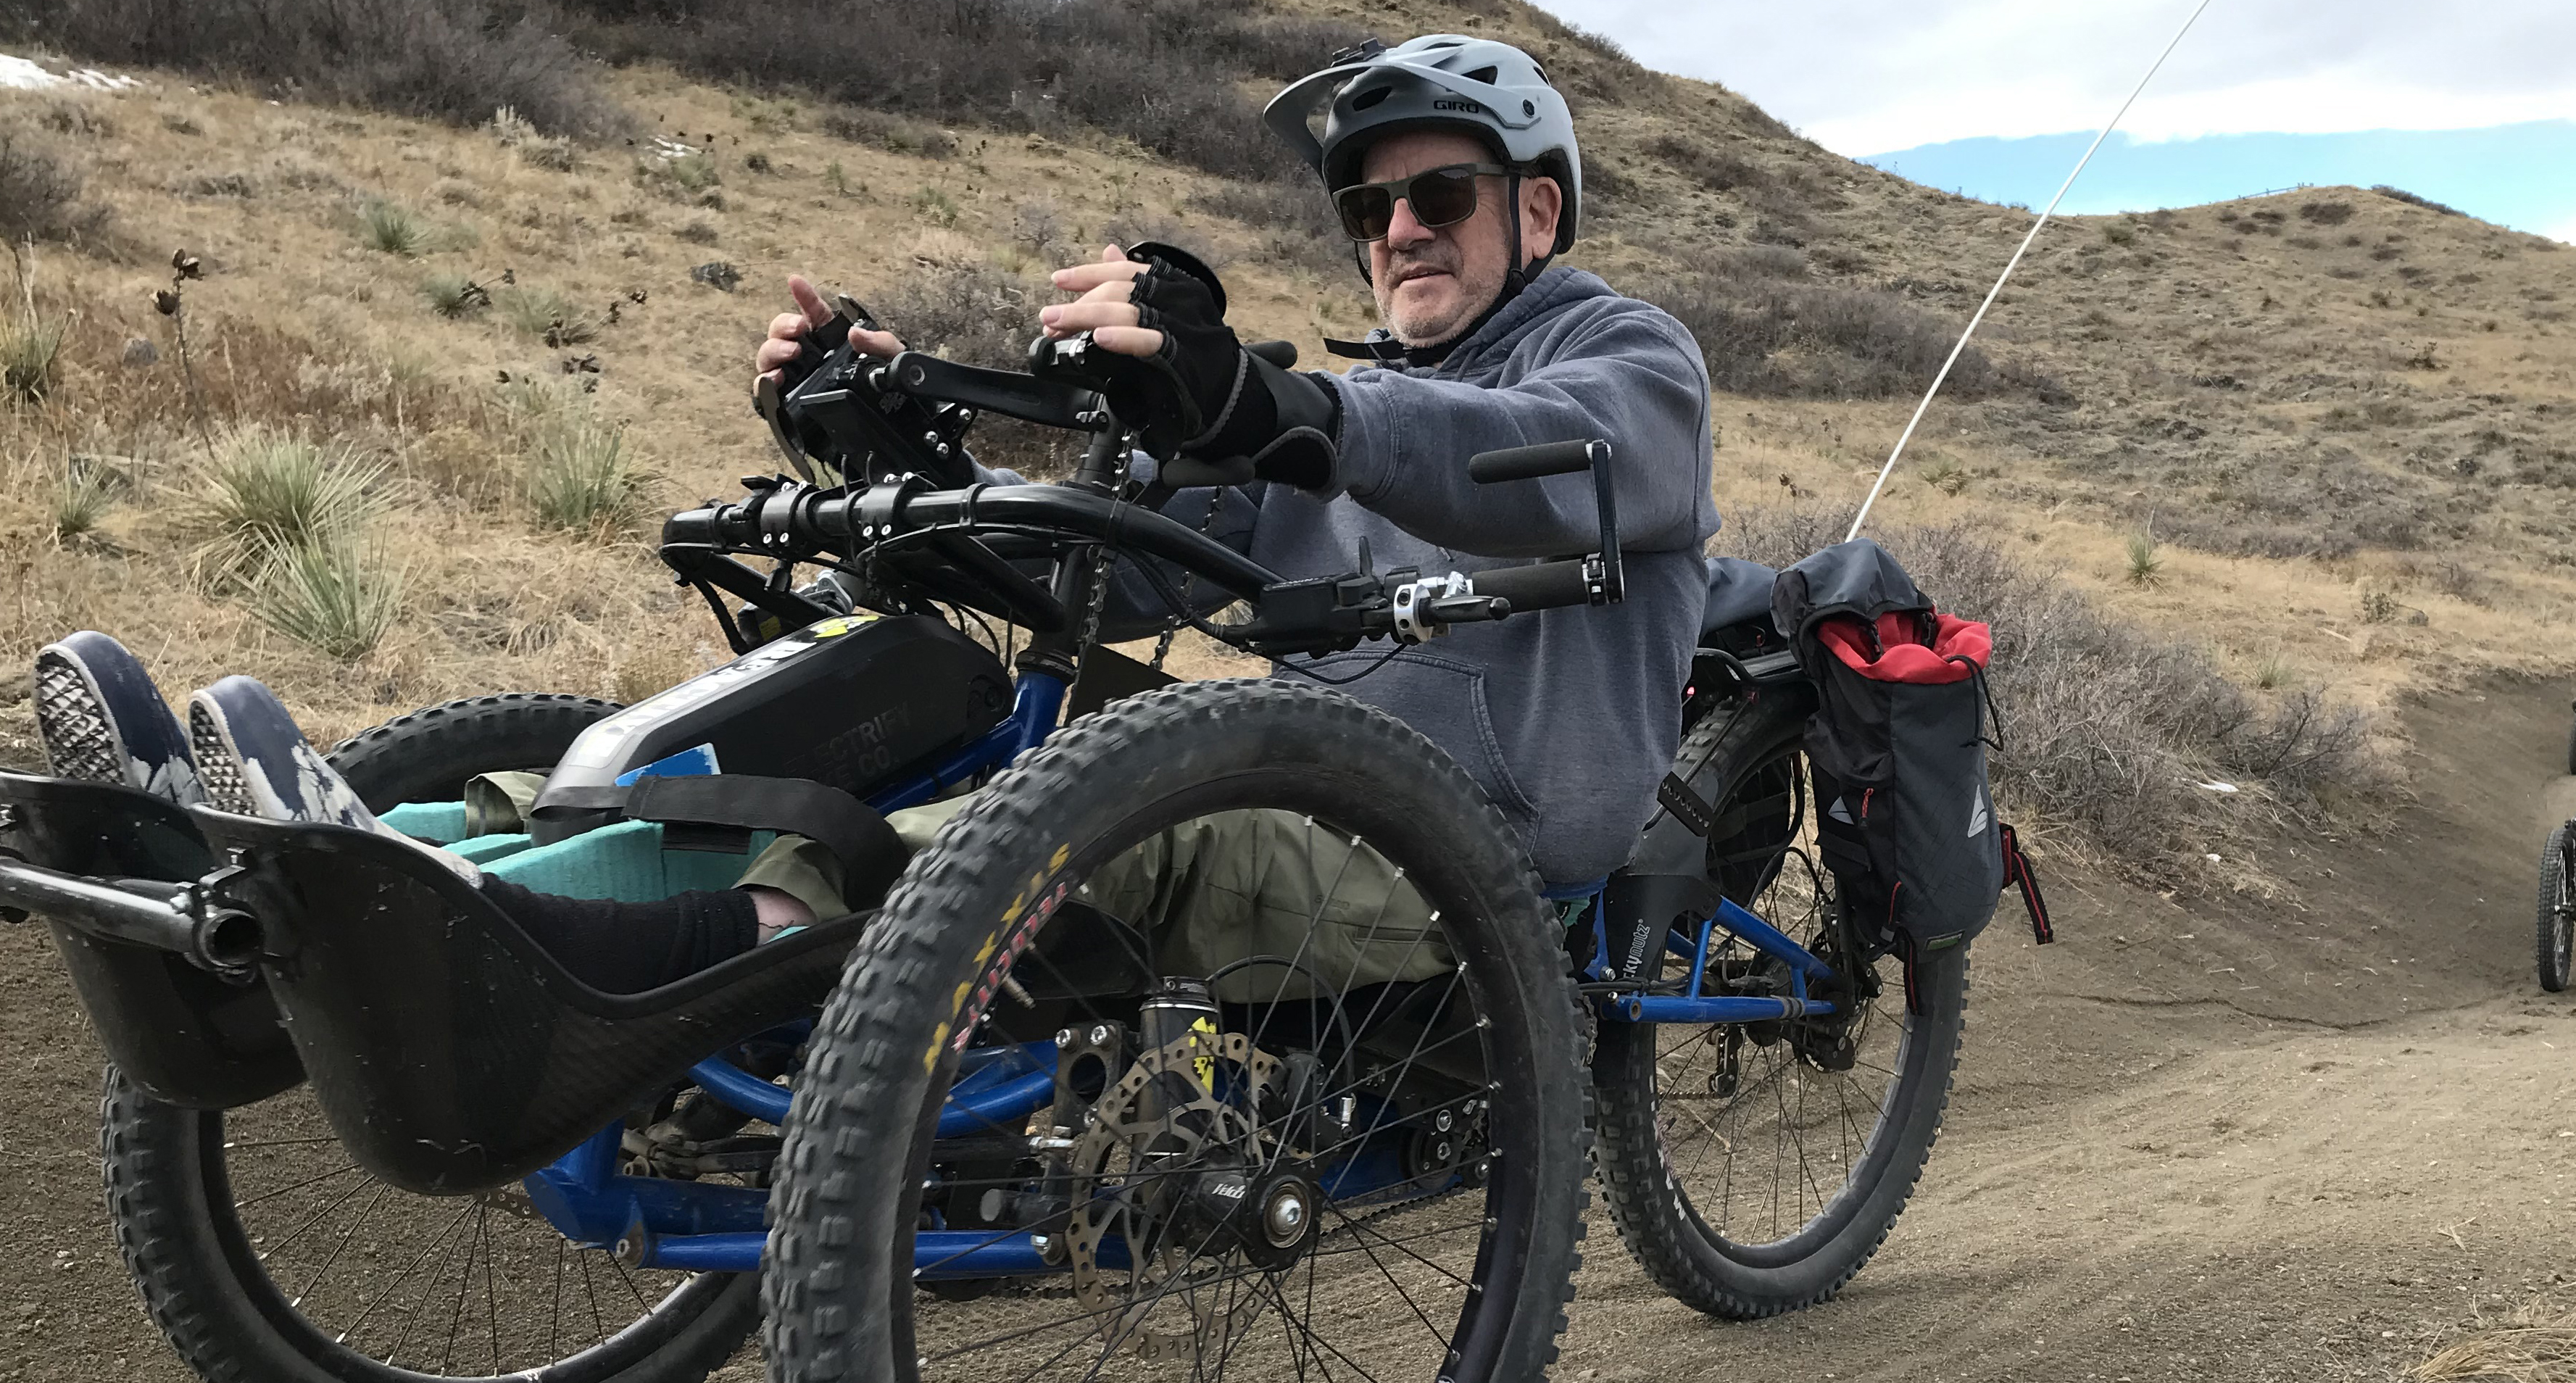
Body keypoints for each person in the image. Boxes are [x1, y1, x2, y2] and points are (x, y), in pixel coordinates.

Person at [33, 34, 1719, 996]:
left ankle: (536, 952)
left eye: (1435, 196)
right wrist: (892, 426)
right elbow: (1113, 573)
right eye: (1371, 208)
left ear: (1536, 206)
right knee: (915, 691)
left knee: (1114, 821)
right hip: (1313, 787)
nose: (1397, 231)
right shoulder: (1341, 427)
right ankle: (376, 857)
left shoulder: (1624, 363)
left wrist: (1286, 406)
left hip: (1459, 867)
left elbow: (1557, 461)